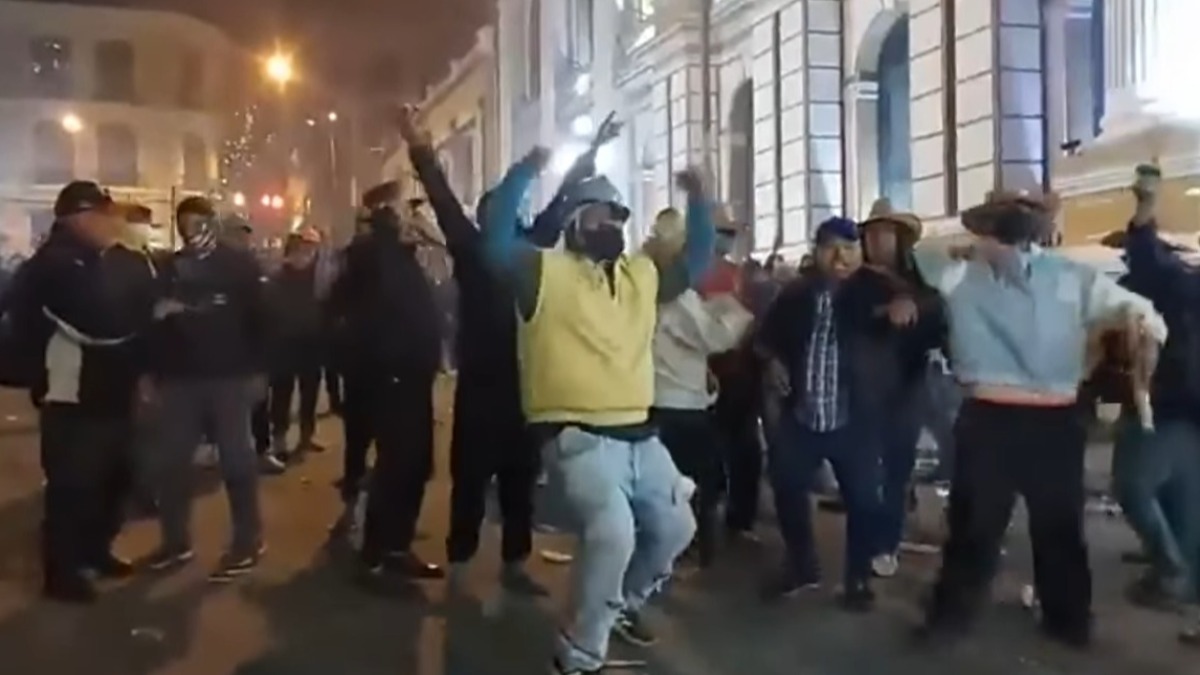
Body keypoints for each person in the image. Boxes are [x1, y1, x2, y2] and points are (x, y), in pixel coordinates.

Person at [484, 145, 712, 675]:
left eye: (616, 215)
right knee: (613, 532)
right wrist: (526, 171)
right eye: (598, 213)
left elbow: (697, 259)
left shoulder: (641, 275)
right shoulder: (542, 271)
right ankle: (579, 654)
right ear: (572, 222)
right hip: (576, 435)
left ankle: (620, 604)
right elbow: (494, 242)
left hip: (642, 438)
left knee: (678, 526)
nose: (610, 222)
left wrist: (699, 198)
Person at [915, 190, 1167, 648]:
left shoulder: (1069, 276)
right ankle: (950, 620)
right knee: (975, 527)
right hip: (990, 415)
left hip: (1051, 419)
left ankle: (1067, 621)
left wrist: (1142, 329)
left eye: (1006, 228)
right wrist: (980, 234)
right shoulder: (961, 273)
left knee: (1059, 528)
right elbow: (922, 248)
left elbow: (1142, 313)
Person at [397, 104, 570, 595]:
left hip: (525, 389)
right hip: (479, 388)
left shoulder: (529, 251)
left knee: (521, 482)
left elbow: (558, 210)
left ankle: (515, 563)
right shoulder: (472, 250)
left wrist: (589, 158)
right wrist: (419, 146)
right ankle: (460, 561)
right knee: (470, 481)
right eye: (501, 211)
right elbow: (442, 196)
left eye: (512, 211)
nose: (510, 216)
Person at [13, 181, 157, 602]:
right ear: (77, 217)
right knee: (73, 488)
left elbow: (127, 312)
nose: (111, 223)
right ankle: (62, 573)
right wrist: (145, 314)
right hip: (72, 395)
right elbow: (102, 321)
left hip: (109, 393)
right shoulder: (56, 264)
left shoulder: (95, 259)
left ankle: (95, 551)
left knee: (114, 481)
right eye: (103, 215)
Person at [755, 216, 908, 611]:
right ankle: (802, 563)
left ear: (861, 252)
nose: (840, 256)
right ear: (817, 251)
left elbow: (927, 306)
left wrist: (904, 307)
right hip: (803, 416)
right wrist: (772, 361)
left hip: (855, 419)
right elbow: (765, 340)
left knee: (863, 501)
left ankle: (857, 579)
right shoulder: (795, 294)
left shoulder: (880, 288)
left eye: (849, 247)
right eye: (831, 247)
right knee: (787, 488)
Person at [142, 196, 268, 583]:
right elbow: (157, 323)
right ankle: (176, 542)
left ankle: (247, 542)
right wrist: (151, 372)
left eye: (198, 225)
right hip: (181, 380)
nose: (192, 233)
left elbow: (261, 319)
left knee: (237, 463)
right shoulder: (170, 267)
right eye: (185, 227)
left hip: (228, 378)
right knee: (172, 465)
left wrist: (259, 371)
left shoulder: (239, 264)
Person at [329, 180, 445, 593]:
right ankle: (376, 552)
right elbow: (341, 310)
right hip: (390, 377)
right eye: (408, 209)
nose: (418, 215)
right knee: (397, 464)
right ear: (387, 215)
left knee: (416, 465)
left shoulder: (403, 256)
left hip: (414, 377)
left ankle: (397, 546)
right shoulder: (370, 255)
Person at [646, 207, 753, 567]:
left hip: (661, 400)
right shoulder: (677, 296)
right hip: (680, 404)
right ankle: (691, 547)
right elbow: (716, 336)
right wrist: (735, 312)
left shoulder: (647, 287)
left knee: (674, 482)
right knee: (699, 481)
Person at [1120, 171, 1200, 644]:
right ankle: (1179, 581)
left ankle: (1171, 575)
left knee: (1134, 484)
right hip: (1186, 411)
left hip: (1171, 407)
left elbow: (1151, 264)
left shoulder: (1180, 288)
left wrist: (1146, 208)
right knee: (1186, 506)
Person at [854, 198, 946, 579]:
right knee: (865, 474)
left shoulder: (917, 285)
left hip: (907, 389)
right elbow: (851, 321)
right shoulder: (856, 284)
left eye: (887, 233)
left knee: (896, 470)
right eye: (873, 233)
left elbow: (937, 315)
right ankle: (864, 542)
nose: (879, 241)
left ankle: (885, 543)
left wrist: (914, 305)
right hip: (864, 392)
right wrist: (883, 314)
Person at [265, 227, 327, 461]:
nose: (308, 252)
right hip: (285, 344)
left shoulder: (318, 276)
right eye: (305, 246)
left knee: (309, 391)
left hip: (311, 343)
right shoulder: (279, 275)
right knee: (282, 392)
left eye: (312, 247)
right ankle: (279, 439)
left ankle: (306, 435)